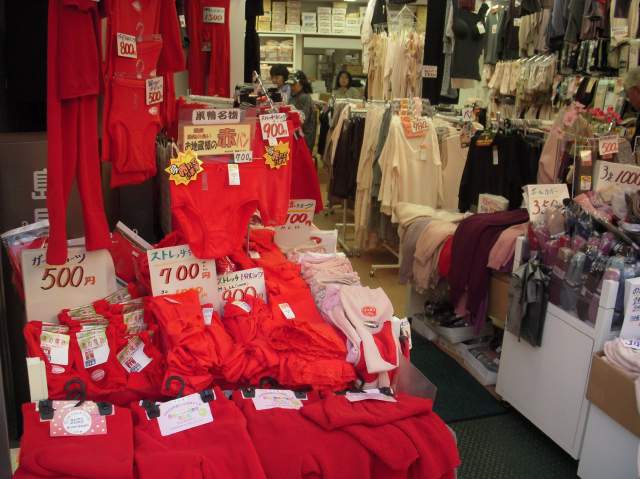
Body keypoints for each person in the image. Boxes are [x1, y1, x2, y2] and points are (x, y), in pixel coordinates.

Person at [288, 70, 317, 152]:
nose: (291, 87)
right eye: (290, 85)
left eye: (294, 84)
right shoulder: (293, 96)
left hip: (304, 137)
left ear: (301, 83)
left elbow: (302, 119)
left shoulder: (305, 97)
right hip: (297, 134)